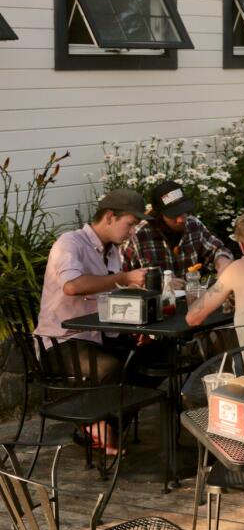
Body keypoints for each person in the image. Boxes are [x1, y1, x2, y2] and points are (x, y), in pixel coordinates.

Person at [36, 189, 151, 454]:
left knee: (152, 358)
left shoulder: (111, 251)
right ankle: (96, 426)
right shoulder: (70, 243)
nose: (132, 232)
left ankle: (100, 427)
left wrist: (136, 327)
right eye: (130, 224)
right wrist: (123, 278)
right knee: (111, 367)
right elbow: (73, 287)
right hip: (60, 342)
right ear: (110, 217)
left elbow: (108, 299)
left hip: (98, 336)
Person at [122, 180, 233, 278]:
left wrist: (222, 261)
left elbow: (217, 249)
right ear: (159, 214)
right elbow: (121, 278)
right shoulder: (138, 236)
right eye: (174, 214)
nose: (181, 219)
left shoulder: (193, 225)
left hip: (191, 296)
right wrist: (161, 284)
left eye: (183, 211)